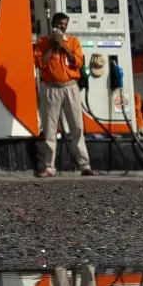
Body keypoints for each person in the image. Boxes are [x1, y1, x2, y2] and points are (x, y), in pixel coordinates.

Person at [35, 12, 93, 177]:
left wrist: (63, 46)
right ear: (53, 24)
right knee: (50, 128)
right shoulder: (42, 42)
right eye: (59, 24)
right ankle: (49, 167)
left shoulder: (73, 42)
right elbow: (40, 63)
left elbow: (78, 62)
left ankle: (84, 165)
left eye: (65, 24)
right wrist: (52, 47)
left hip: (70, 87)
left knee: (76, 127)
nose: (62, 27)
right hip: (50, 88)